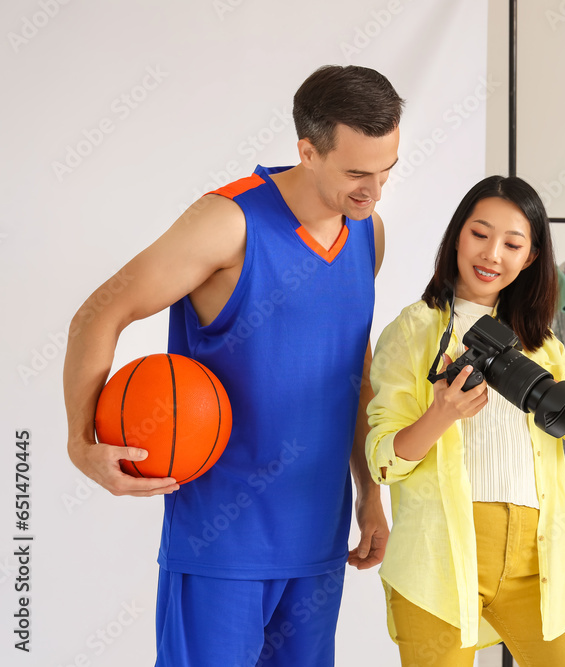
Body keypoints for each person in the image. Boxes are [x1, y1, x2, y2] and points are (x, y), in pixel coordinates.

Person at [63, 65, 403, 666]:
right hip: (222, 540)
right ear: (307, 150)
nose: (373, 192)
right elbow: (98, 313)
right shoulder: (228, 222)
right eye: (357, 173)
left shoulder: (367, 232)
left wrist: (368, 493)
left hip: (317, 539)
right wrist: (80, 443)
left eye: (386, 172)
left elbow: (355, 366)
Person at [366, 175, 565, 666]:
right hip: (438, 564)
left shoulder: (541, 344)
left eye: (512, 243)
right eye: (479, 234)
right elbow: (382, 463)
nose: (492, 254)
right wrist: (440, 414)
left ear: (530, 257)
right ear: (457, 235)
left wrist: (545, 389)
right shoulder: (412, 332)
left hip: (534, 564)